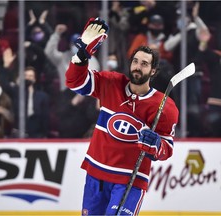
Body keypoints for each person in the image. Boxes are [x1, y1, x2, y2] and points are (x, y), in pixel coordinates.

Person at [65, 17, 179, 215]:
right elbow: (75, 82)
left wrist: (156, 145)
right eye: (135, 61)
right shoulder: (111, 83)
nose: (137, 66)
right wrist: (82, 56)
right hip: (96, 174)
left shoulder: (164, 106)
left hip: (130, 181)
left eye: (144, 64)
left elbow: (166, 149)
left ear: (153, 71)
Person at [10, 66, 50, 138]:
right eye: (26, 76)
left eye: (30, 76)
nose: (28, 78)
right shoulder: (16, 93)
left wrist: (44, 135)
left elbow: (45, 117)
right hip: (19, 132)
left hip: (36, 134)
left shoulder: (42, 96)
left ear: (34, 79)